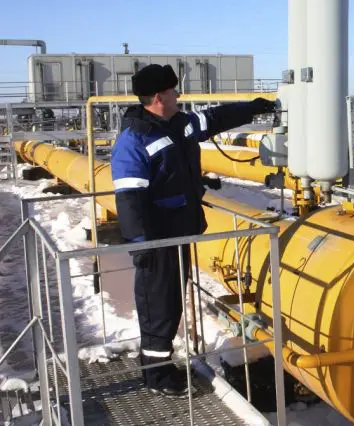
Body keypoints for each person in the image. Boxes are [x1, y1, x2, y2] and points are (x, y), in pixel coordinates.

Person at [110, 64, 275, 397]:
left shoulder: (179, 123)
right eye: (174, 90)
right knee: (159, 305)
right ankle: (156, 376)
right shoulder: (135, 139)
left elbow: (215, 118)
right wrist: (142, 245)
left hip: (180, 232)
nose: (179, 95)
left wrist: (254, 108)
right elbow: (129, 198)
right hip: (157, 239)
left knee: (171, 302)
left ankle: (160, 366)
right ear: (159, 97)